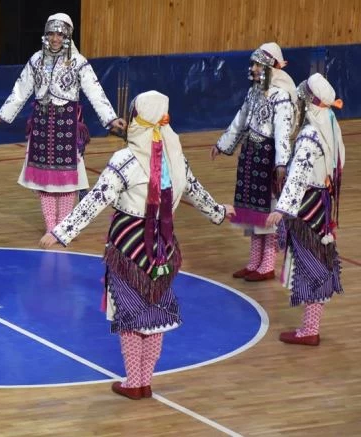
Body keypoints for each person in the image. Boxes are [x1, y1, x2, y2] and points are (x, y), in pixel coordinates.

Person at [40, 91, 233, 399]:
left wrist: (62, 232)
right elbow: (196, 191)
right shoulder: (176, 155)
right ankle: (144, 380)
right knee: (155, 312)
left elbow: (97, 199)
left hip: (128, 246)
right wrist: (218, 212)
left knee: (129, 313)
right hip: (163, 245)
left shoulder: (126, 160)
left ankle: (134, 381)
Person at [0, 13, 126, 234]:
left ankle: (63, 227)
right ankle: (50, 226)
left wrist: (111, 118)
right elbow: (21, 90)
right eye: (51, 33)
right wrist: (1, 115)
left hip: (67, 126)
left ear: (68, 35)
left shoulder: (79, 62)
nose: (54, 38)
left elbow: (95, 91)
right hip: (42, 125)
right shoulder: (36, 60)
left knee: (68, 181)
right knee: (45, 182)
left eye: (60, 34)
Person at [265, 73, 344, 346]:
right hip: (323, 202)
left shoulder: (310, 134)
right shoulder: (331, 125)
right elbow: (338, 163)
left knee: (310, 264)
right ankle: (310, 326)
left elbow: (298, 176)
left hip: (307, 208)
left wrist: (284, 209)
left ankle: (309, 330)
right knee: (319, 261)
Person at [211, 42, 297, 281]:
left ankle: (267, 265)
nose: (253, 68)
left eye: (257, 64)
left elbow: (282, 130)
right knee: (252, 212)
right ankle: (253, 262)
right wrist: (223, 143)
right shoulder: (255, 91)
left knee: (266, 211)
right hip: (251, 156)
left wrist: (281, 163)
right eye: (253, 64)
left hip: (267, 158)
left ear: (269, 67)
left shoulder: (281, 96)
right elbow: (241, 119)